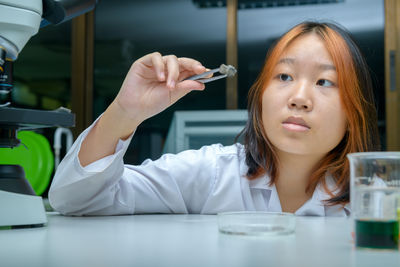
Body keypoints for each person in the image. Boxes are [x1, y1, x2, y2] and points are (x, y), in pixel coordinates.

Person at [48, 21, 380, 216]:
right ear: (260, 96)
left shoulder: (379, 200)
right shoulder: (212, 173)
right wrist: (124, 113)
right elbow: (74, 200)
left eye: (324, 82)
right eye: (284, 76)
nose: (298, 98)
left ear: (355, 111)